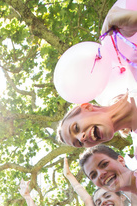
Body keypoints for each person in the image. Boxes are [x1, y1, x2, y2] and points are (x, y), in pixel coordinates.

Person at [57, 3, 137, 148]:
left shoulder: (134, 64)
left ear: (86, 107)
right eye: (79, 143)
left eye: (76, 128)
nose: (82, 138)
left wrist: (132, 20)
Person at [63, 156, 129, 206]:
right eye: (98, 203)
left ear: (122, 197)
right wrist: (68, 175)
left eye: (107, 196)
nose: (103, 202)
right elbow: (88, 201)